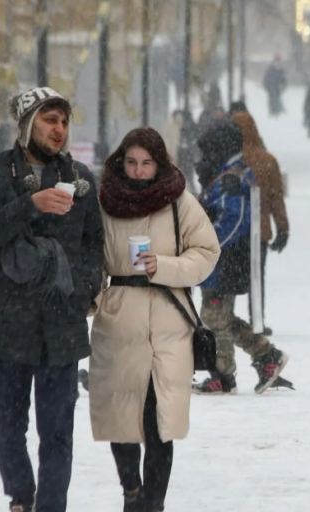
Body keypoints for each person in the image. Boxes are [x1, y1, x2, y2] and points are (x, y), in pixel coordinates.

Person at [0, 86, 103, 512]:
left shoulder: (80, 180)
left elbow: (94, 242)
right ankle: (21, 498)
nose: (58, 130)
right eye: (49, 120)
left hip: (61, 325)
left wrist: (83, 288)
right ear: (26, 125)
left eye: (63, 121)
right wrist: (30, 204)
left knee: (58, 431)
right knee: (6, 427)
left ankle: (52, 507)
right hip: (5, 323)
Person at [90, 127, 220, 512]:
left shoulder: (179, 201)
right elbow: (90, 256)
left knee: (159, 420)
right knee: (121, 416)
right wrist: (95, 296)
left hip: (169, 319)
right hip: (119, 318)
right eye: (131, 162)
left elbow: (207, 252)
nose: (138, 170)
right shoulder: (103, 201)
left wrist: (163, 266)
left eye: (146, 163)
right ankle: (131, 491)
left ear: (159, 163)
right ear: (120, 161)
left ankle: (153, 502)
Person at [192, 119, 292, 394]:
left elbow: (233, 220)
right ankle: (266, 355)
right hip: (225, 261)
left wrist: (207, 244)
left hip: (223, 261)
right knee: (222, 316)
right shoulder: (232, 174)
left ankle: (222, 374)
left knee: (213, 316)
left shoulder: (231, 179)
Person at [231, 111, 290, 335]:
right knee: (256, 276)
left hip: (232, 230)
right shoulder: (267, 160)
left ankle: (226, 318)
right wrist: (282, 227)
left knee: (229, 279)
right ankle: (257, 318)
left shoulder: (229, 160)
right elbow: (276, 197)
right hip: (259, 229)